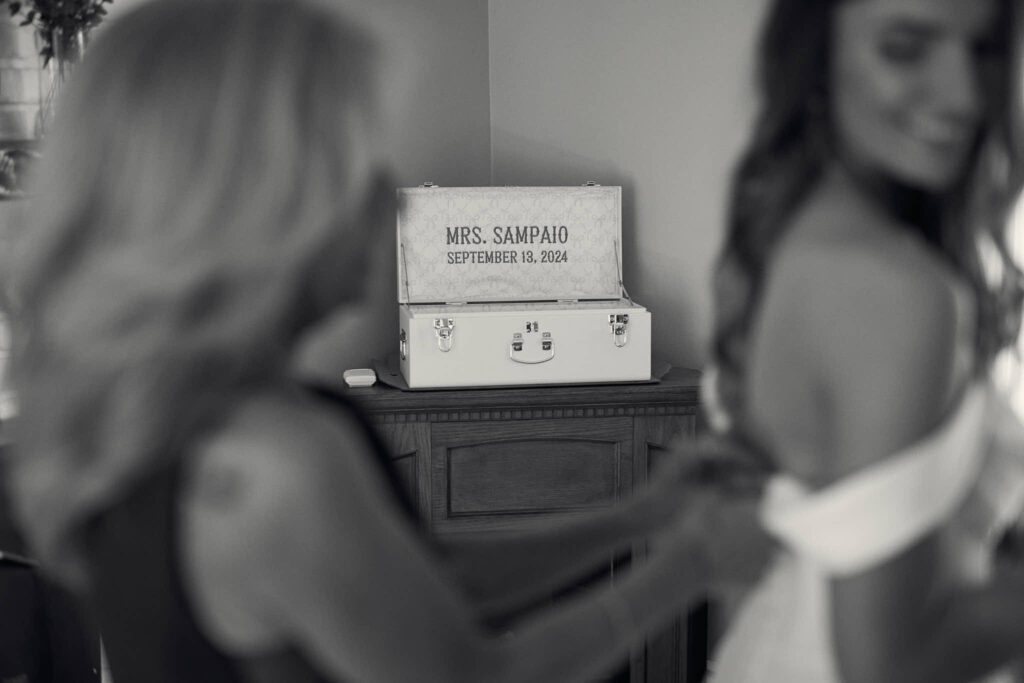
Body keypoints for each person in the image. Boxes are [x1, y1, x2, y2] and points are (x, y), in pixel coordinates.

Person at [1, 1, 771, 681]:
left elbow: (412, 582)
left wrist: (639, 516)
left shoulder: (150, 414)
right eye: (356, 167)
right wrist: (690, 567)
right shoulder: (275, 463)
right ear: (263, 200)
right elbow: (470, 673)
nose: (388, 202)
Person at [702, 0, 1024, 681]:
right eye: (905, 47)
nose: (965, 96)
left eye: (985, 49)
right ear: (814, 49)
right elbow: (883, 668)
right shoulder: (895, 290)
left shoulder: (786, 227)